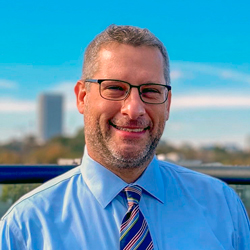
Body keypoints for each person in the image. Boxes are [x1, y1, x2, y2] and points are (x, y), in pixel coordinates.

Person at [0, 24, 249, 249]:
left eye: (151, 91)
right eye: (115, 88)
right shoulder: (26, 227)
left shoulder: (222, 207)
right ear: (82, 97)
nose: (133, 109)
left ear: (168, 104)